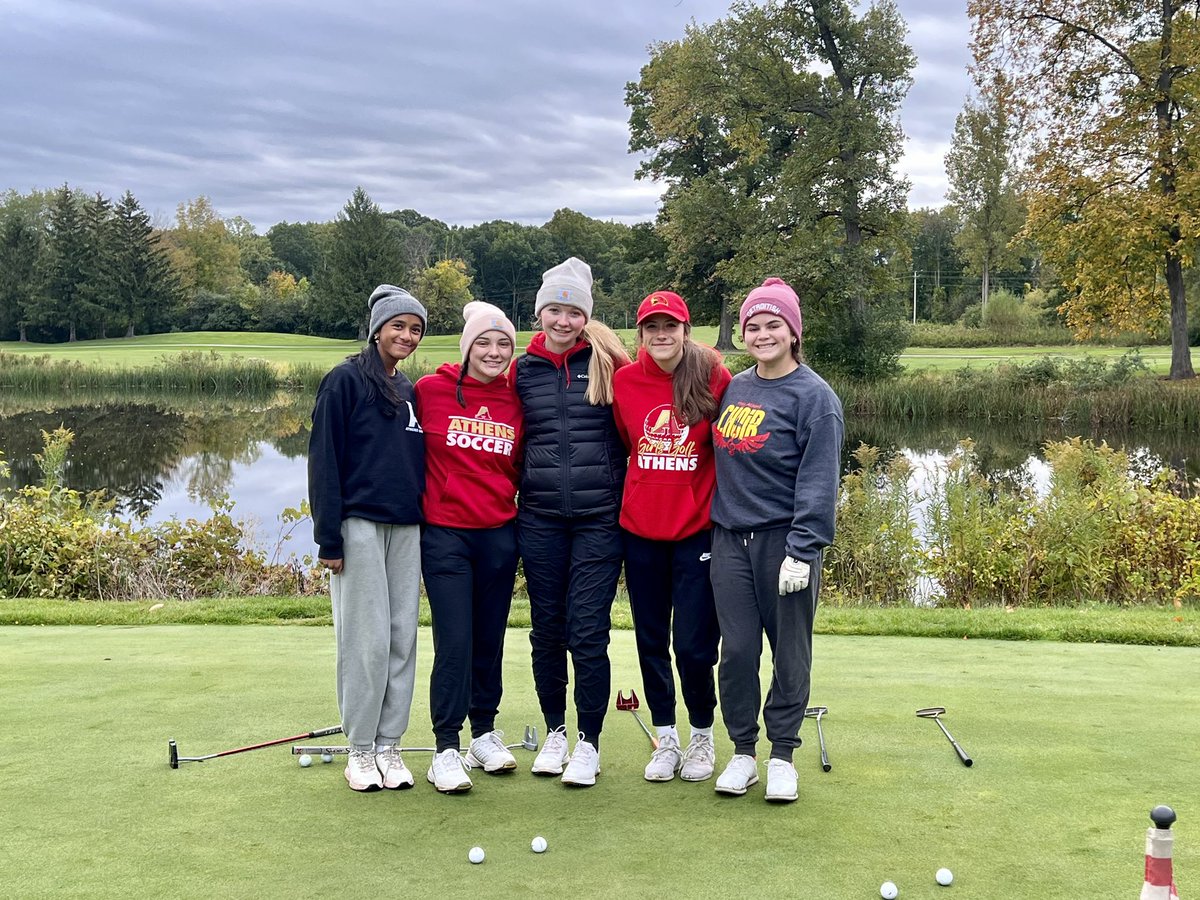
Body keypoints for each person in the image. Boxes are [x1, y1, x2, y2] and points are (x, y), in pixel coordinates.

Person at [709, 277, 844, 803]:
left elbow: (819, 480)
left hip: (784, 544)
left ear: (793, 333)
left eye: (774, 325)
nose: (762, 335)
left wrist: (803, 549)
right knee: (738, 652)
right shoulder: (735, 387)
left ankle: (783, 755)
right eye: (753, 326)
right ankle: (743, 752)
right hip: (729, 541)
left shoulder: (815, 397)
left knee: (789, 654)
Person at [513, 256, 631, 787]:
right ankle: (555, 732)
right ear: (540, 313)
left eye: (574, 311)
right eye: (555, 310)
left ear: (586, 316)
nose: (564, 320)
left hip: (600, 519)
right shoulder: (521, 370)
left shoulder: (609, 364)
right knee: (547, 631)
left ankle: (589, 741)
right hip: (539, 518)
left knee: (587, 631)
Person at [308, 284, 428, 792]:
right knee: (366, 641)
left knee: (402, 638)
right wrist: (328, 539)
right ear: (378, 329)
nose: (407, 336)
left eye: (415, 329)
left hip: (407, 526)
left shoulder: (409, 390)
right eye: (398, 326)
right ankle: (360, 748)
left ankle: (389, 746)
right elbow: (324, 461)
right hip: (358, 526)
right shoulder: (344, 381)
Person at [611, 290, 731, 783]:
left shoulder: (713, 376)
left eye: (670, 326)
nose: (661, 335)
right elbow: (628, 443)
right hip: (641, 533)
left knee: (695, 646)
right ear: (641, 333)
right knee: (651, 640)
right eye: (652, 327)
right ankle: (666, 736)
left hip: (696, 533)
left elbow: (727, 446)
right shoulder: (624, 381)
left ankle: (702, 734)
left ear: (685, 330)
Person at [413, 301, 523, 794]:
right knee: (455, 641)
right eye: (483, 342)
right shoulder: (429, 391)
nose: (494, 352)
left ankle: (483, 733)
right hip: (445, 534)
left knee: (489, 638)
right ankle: (445, 748)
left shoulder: (517, 399)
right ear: (466, 347)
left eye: (503, 344)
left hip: (498, 533)